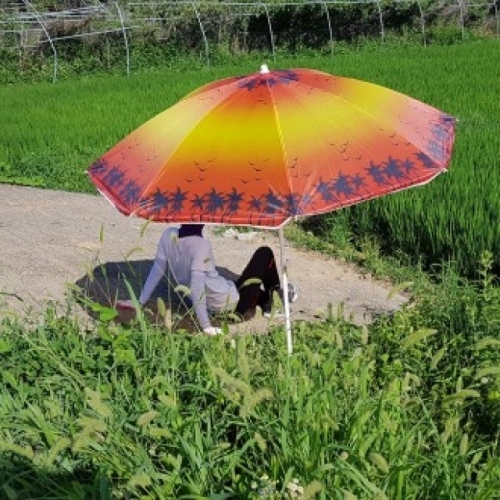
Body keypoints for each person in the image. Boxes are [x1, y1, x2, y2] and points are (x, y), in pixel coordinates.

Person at [116, 224, 298, 335]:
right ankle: (277, 300)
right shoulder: (201, 245)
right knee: (264, 253)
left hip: (220, 297)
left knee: (249, 287)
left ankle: (275, 297)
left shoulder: (168, 234)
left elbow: (157, 269)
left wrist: (139, 301)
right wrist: (205, 326)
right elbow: (196, 286)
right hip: (233, 304)